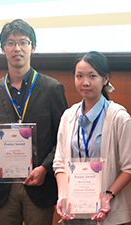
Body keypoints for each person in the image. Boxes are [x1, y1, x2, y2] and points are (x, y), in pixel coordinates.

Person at [0, 19, 68, 225]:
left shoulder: (51, 89)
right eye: (10, 43)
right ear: (3, 49)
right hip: (4, 189)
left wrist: (45, 168)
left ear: (33, 47)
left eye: (23, 42)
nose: (16, 48)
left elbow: (64, 139)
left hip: (39, 184)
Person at [53, 51, 131, 225]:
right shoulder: (68, 116)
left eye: (92, 76)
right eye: (79, 76)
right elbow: (59, 163)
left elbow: (129, 168)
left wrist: (108, 196)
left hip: (106, 213)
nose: (85, 82)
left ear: (105, 79)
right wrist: (63, 195)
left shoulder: (119, 117)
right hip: (73, 213)